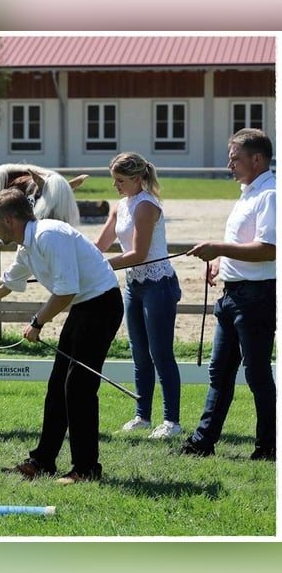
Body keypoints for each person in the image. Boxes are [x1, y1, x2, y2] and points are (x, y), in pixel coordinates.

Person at [0, 186, 123, 483]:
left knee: (78, 389)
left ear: (9, 220)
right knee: (58, 388)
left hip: (101, 307)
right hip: (84, 308)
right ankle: (42, 462)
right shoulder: (28, 246)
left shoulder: (48, 236)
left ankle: (87, 469)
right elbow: (4, 284)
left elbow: (66, 290)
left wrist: (37, 322)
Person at [181, 127, 276, 460]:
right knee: (219, 372)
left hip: (257, 297)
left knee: (257, 374)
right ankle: (202, 443)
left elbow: (269, 249)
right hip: (232, 295)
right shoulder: (248, 191)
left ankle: (268, 447)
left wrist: (218, 247)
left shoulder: (271, 194)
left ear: (257, 159)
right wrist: (221, 260)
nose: (229, 165)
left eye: (235, 159)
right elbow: (244, 240)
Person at [95, 152, 182, 439]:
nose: (115, 186)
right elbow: (102, 243)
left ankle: (171, 421)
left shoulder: (145, 205)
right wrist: (79, 256)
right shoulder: (120, 205)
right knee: (139, 354)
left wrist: (98, 265)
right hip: (134, 285)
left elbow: (139, 255)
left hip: (158, 284)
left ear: (136, 178)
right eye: (114, 180)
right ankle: (142, 416)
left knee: (161, 354)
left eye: (120, 180)